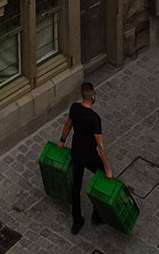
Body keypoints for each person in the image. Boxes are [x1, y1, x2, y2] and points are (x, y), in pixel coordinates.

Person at [57, 81, 110, 233]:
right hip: (90, 156)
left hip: (77, 153)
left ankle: (77, 220)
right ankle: (97, 214)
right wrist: (107, 169)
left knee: (76, 187)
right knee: (101, 180)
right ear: (93, 96)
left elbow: (68, 125)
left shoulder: (74, 108)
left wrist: (62, 140)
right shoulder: (95, 119)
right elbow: (100, 145)